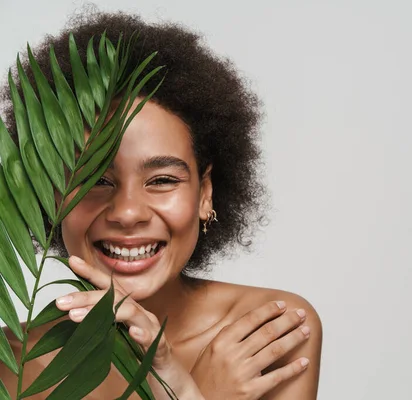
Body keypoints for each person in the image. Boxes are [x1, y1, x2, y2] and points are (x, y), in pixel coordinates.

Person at [0, 10, 322, 399]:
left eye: (162, 180)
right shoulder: (11, 363)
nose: (127, 212)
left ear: (205, 194)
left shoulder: (266, 332)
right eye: (94, 181)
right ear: (50, 194)